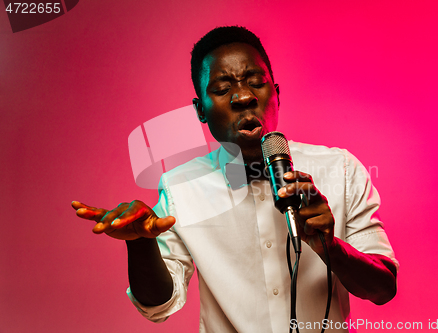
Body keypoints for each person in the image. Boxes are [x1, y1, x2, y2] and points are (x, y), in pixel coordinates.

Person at [72, 26, 398, 333]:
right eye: (223, 89)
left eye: (255, 82)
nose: (243, 97)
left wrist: (330, 247)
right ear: (201, 110)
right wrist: (140, 244)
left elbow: (383, 287)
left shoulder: (339, 168)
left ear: (276, 94)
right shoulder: (180, 187)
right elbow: (159, 306)